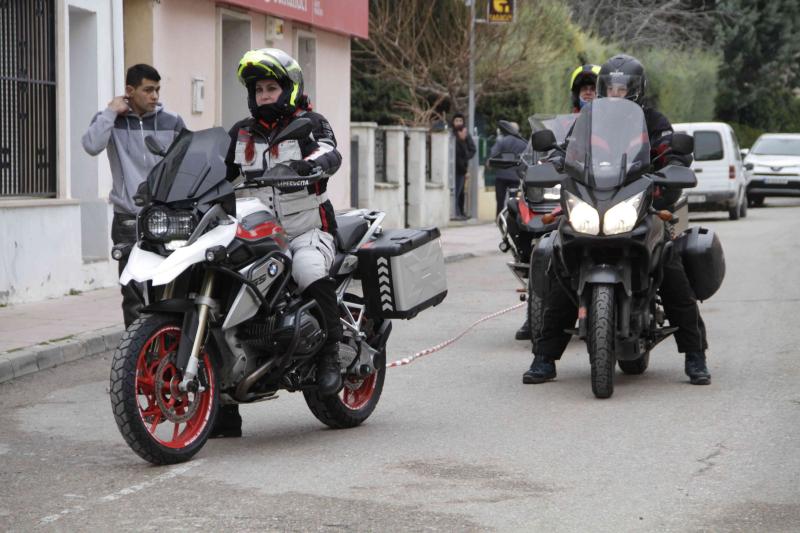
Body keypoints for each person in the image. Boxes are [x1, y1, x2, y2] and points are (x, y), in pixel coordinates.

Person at [523, 54, 711, 386]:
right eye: (611, 87)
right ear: (602, 88)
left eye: (623, 88)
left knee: (669, 265)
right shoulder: (589, 121)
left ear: (637, 89)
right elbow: (567, 151)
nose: (617, 92)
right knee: (562, 268)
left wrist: (676, 161)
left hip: (639, 203)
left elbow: (669, 148)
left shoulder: (653, 120)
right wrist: (553, 158)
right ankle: (544, 358)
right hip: (594, 200)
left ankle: (695, 355)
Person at [212, 48, 344, 438]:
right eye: (259, 90)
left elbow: (330, 151)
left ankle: (330, 355)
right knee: (223, 296)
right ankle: (225, 407)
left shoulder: (310, 124)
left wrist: (308, 165)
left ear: (288, 89)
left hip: (307, 230)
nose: (265, 95)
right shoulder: (241, 132)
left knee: (307, 268)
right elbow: (218, 173)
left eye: (271, 88)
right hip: (256, 234)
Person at [82, 64, 185, 328]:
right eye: (148, 90)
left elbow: (186, 162)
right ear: (130, 90)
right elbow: (91, 145)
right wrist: (110, 112)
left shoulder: (172, 121)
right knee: (134, 295)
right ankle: (136, 349)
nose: (155, 96)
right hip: (128, 218)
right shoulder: (110, 120)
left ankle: (168, 344)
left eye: (157, 90)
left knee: (169, 290)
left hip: (166, 217)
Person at [489, 120, 527, 216]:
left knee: (500, 200)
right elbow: (526, 158)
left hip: (501, 175)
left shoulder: (502, 141)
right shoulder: (523, 143)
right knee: (513, 200)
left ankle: (499, 218)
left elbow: (493, 154)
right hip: (516, 176)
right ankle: (512, 217)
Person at [451, 113, 476, 219]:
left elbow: (472, 149)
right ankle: (456, 213)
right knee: (456, 192)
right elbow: (456, 155)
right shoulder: (452, 135)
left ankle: (461, 212)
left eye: (460, 121)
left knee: (461, 192)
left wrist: (466, 157)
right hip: (455, 169)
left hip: (462, 168)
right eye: (456, 121)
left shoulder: (465, 134)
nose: (458, 123)